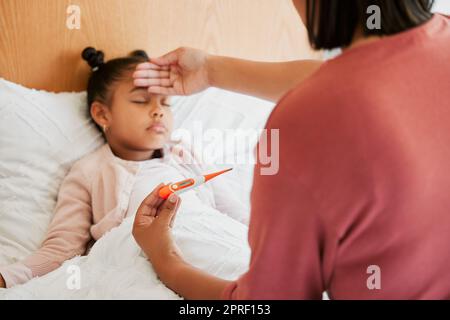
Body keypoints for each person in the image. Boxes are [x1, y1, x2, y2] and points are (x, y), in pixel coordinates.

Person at [131, 0, 450, 299]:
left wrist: (166, 259)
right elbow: (377, 76)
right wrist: (210, 70)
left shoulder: (303, 125)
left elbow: (264, 301)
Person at [0, 47, 250, 289]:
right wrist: (7, 277)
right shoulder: (89, 171)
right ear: (102, 114)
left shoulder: (183, 153)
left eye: (166, 103)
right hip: (142, 258)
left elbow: (235, 214)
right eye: (141, 100)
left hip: (214, 237)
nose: (158, 112)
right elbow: (61, 249)